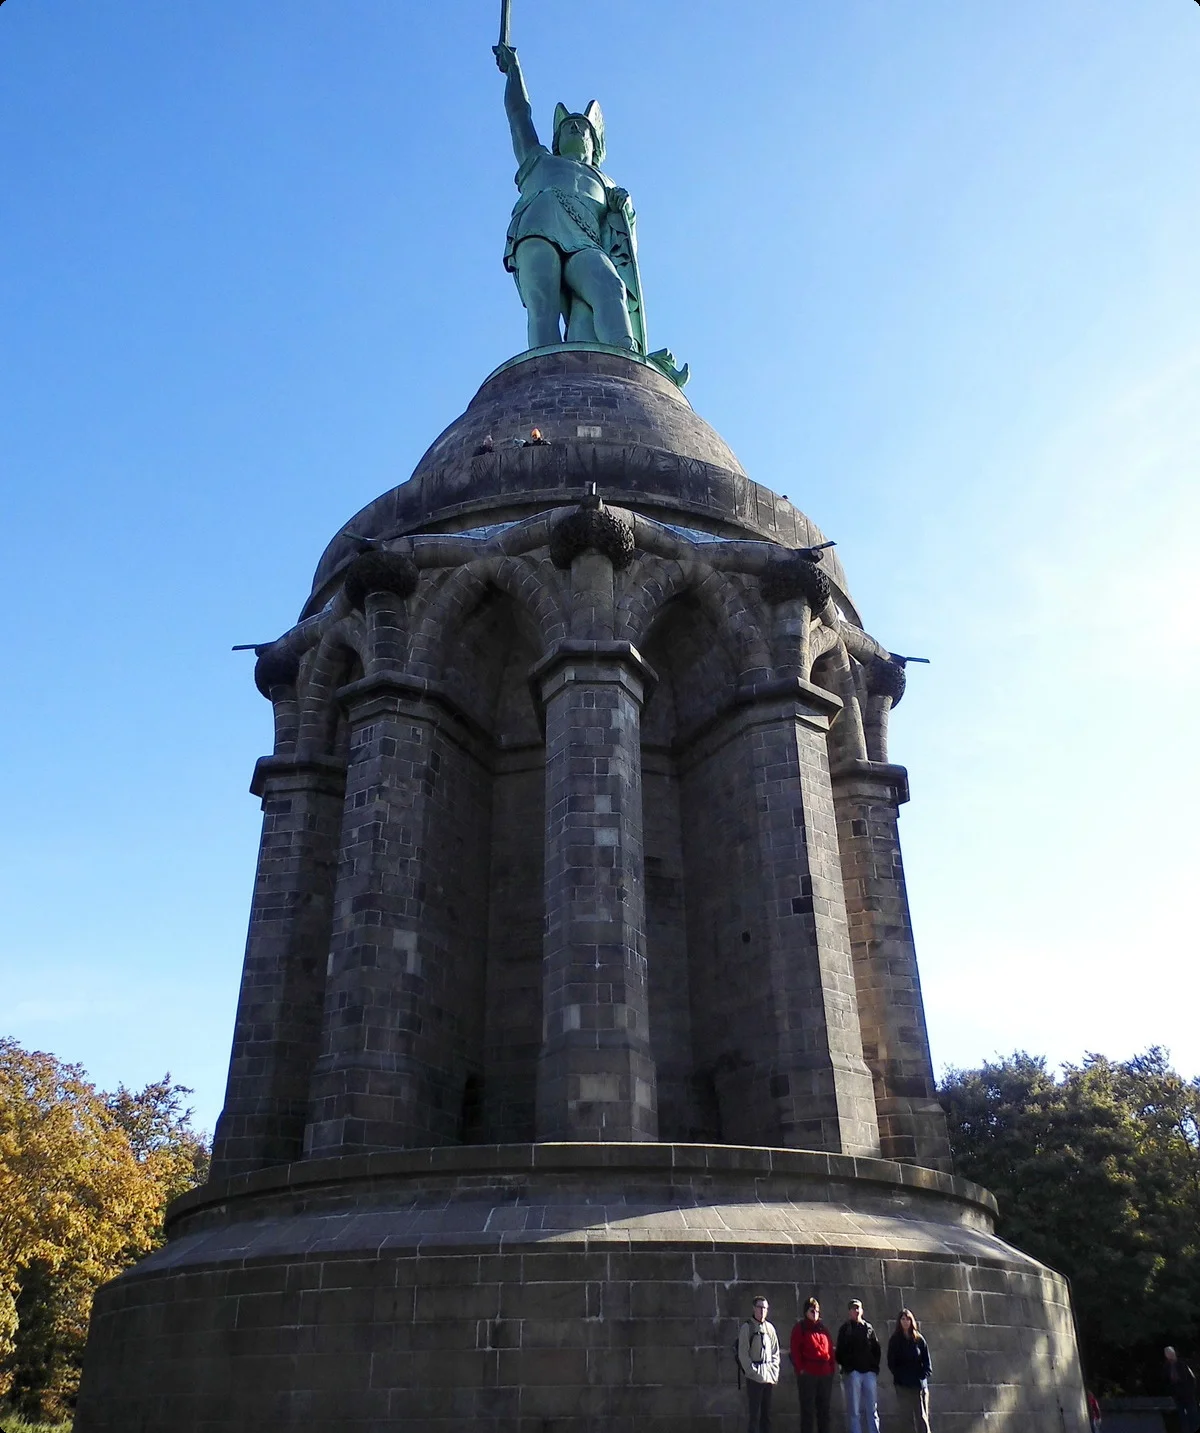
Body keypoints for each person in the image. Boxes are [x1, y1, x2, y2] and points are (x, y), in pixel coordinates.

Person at [493, 42, 644, 354]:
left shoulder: (606, 182)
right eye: (569, 127)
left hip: (586, 242)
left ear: (594, 145)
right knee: (542, 306)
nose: (576, 128)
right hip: (538, 227)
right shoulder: (538, 160)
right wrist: (514, 72)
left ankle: (625, 358)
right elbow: (519, 114)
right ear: (557, 140)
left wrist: (625, 210)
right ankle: (544, 373)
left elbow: (625, 245)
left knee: (609, 286)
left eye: (584, 129)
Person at [790, 1296, 836, 1433]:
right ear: (806, 1312)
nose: (815, 1313)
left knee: (824, 1412)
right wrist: (801, 1370)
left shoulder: (823, 1329)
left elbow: (830, 1350)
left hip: (824, 1375)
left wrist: (831, 1368)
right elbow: (795, 1351)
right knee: (807, 1411)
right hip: (808, 1374)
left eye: (817, 1310)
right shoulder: (800, 1328)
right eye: (812, 1310)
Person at [836, 1298, 881, 1433]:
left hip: (869, 1373)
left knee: (872, 1410)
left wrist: (874, 1367)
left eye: (858, 1308)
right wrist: (848, 1367)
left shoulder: (868, 1328)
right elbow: (840, 1351)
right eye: (853, 1308)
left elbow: (876, 1349)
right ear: (849, 1312)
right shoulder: (845, 1329)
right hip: (853, 1373)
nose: (856, 1311)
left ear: (862, 1310)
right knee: (854, 1411)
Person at [738, 1295, 781, 1433]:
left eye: (765, 1308)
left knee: (766, 1416)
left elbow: (775, 1352)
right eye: (759, 1307)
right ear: (754, 1308)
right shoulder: (747, 1328)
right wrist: (752, 1372)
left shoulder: (770, 1329)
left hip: (768, 1377)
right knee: (754, 1416)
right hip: (754, 1378)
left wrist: (773, 1372)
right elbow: (743, 1354)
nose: (762, 1311)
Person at [887, 1308, 933, 1433]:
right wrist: (899, 1376)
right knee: (906, 1418)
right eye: (903, 1319)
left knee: (922, 1417)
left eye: (908, 1319)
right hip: (902, 1386)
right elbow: (891, 1362)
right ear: (899, 1321)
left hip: (918, 1385)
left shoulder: (919, 1339)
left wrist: (922, 1376)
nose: (905, 1321)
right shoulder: (895, 1340)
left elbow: (927, 1362)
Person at [1165, 1347, 1199, 1433]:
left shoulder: (1183, 1363)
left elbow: (1191, 1378)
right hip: (1177, 1395)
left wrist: (1191, 1390)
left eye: (1171, 1354)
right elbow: (1167, 1380)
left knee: (1192, 1414)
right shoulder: (1167, 1366)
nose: (1170, 1356)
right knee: (1182, 1416)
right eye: (1168, 1354)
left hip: (1188, 1393)